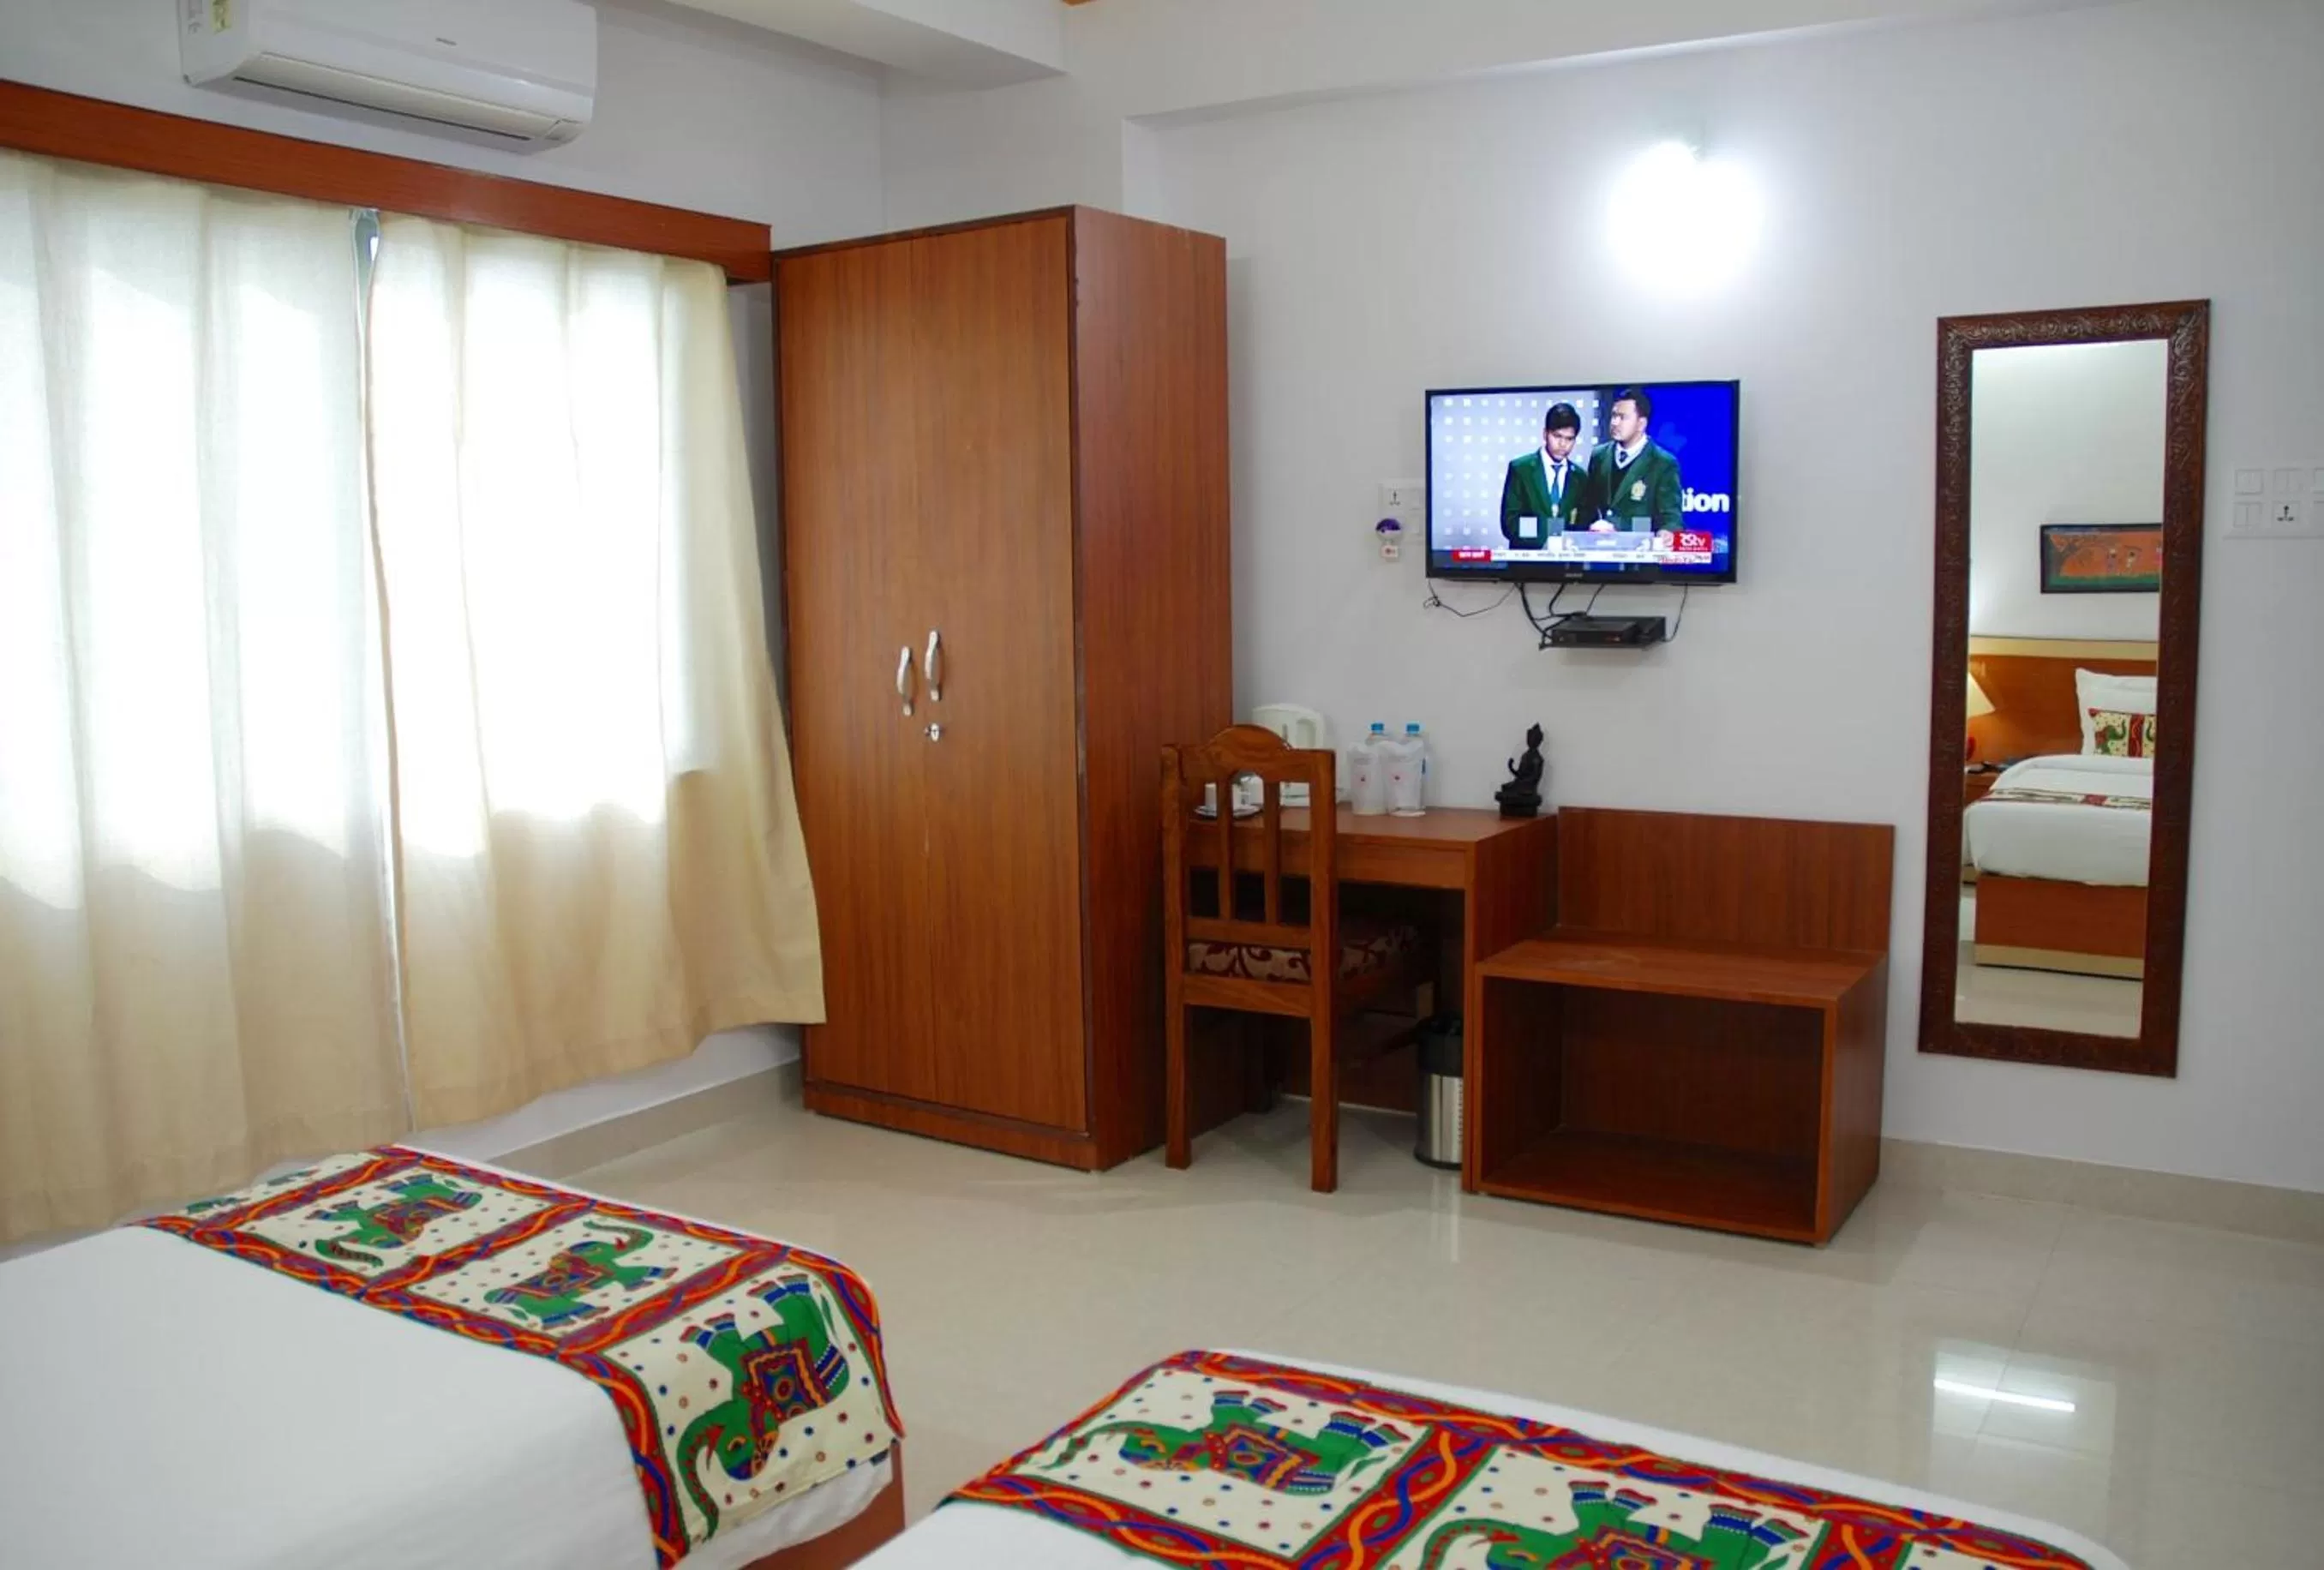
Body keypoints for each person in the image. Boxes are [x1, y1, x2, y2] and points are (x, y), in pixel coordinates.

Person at [1579, 387, 1683, 542]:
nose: (1614, 422)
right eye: (1613, 416)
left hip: (1640, 559)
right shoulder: (1599, 456)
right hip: (1600, 556)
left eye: (1622, 417)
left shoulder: (1663, 463)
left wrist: (1666, 533)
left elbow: (1671, 519)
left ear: (1641, 424)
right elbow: (1588, 507)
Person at [1498, 403, 1590, 547]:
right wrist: (1546, 540)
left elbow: (1584, 523)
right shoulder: (1521, 469)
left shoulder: (1580, 477)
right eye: (1557, 436)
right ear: (1545, 434)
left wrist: (1567, 542)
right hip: (1528, 565)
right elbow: (1511, 522)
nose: (1562, 444)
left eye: (1569, 439)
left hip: (1567, 566)